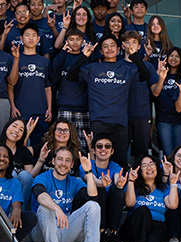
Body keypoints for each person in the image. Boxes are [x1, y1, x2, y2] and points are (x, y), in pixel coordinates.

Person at [66, 34, 151, 168]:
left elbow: (146, 75)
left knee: (120, 161)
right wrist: (84, 56)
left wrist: (134, 55)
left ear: (118, 49)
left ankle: (118, 187)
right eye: (105, 46)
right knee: (99, 160)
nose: (109, 49)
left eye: (112, 46)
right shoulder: (93, 68)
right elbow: (70, 76)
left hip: (120, 123)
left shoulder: (126, 69)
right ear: (100, 51)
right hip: (99, 121)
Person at [31, 146, 114, 242]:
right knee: (45, 207)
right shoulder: (43, 177)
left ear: (72, 164)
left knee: (93, 205)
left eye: (67, 160)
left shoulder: (74, 181)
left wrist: (88, 172)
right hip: (42, 233)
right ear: (53, 161)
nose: (63, 163)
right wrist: (56, 208)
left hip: (65, 230)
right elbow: (40, 195)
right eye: (60, 159)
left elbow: (92, 196)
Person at [121, 155, 179, 242]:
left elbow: (172, 205)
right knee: (143, 210)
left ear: (157, 168)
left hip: (157, 226)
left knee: (154, 238)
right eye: (144, 165)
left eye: (151, 164)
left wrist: (173, 184)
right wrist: (130, 181)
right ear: (139, 170)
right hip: (134, 229)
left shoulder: (163, 188)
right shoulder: (134, 186)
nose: (149, 167)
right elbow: (130, 203)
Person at [8, 23, 52, 147]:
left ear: (38, 39)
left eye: (34, 35)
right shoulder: (14, 58)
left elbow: (47, 87)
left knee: (39, 146)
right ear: (21, 39)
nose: (30, 38)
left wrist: (49, 108)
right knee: (20, 145)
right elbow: (10, 85)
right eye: (27, 35)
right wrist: (12, 106)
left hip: (41, 112)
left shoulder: (44, 61)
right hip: (21, 112)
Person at [79, 134, 126, 242]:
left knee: (117, 190)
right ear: (94, 150)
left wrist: (119, 183)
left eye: (107, 146)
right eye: (99, 146)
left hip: (110, 206)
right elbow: (91, 179)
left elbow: (116, 177)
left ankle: (113, 233)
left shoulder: (115, 166)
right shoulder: (87, 165)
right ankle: (101, 232)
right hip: (92, 205)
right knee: (99, 190)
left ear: (112, 151)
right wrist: (102, 183)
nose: (103, 149)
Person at [122, 31, 161, 159]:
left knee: (142, 154)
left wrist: (162, 78)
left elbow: (155, 92)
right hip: (121, 116)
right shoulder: (117, 65)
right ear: (122, 45)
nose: (130, 45)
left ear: (139, 47)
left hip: (142, 115)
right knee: (122, 154)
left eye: (134, 42)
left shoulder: (147, 66)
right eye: (127, 42)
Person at [51, 29, 90, 152]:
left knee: (84, 148)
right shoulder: (62, 57)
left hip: (84, 109)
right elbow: (52, 77)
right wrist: (63, 53)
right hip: (65, 107)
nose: (74, 42)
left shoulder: (87, 58)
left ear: (83, 41)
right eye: (71, 39)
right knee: (63, 147)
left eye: (78, 39)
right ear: (66, 41)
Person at [155, 47, 181, 156]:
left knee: (179, 152)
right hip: (163, 119)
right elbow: (155, 92)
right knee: (168, 153)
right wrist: (160, 75)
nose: (174, 58)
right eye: (171, 56)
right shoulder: (161, 74)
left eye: (177, 56)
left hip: (180, 119)